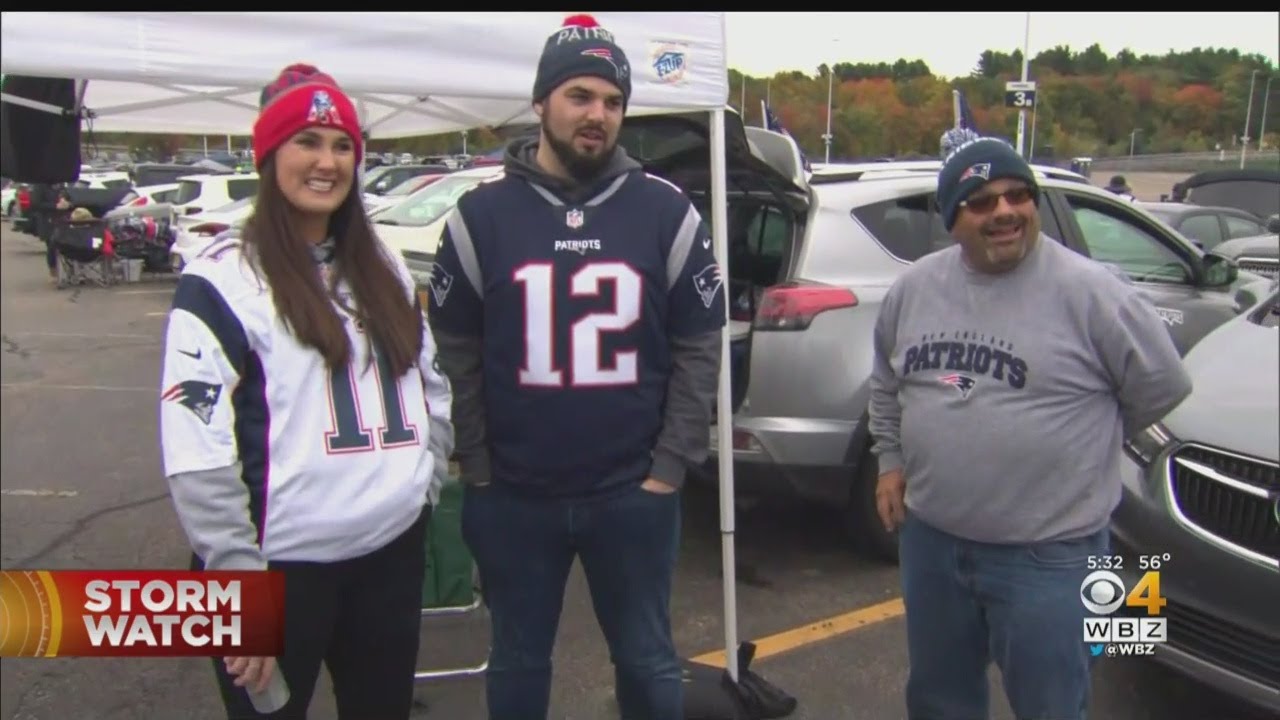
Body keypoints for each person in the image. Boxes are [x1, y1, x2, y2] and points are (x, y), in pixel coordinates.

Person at [427, 13, 725, 720]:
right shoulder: (481, 216)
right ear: (541, 103)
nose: (598, 115)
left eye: (612, 102)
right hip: (515, 495)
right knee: (519, 661)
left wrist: (669, 466)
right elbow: (455, 349)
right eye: (580, 96)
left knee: (649, 661)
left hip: (631, 493)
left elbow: (698, 344)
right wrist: (478, 461)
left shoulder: (665, 211)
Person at [158, 63, 454, 720]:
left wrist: (420, 487)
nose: (327, 162)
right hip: (275, 570)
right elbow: (195, 449)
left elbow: (431, 386)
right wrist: (236, 585)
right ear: (270, 154)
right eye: (307, 142)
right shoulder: (223, 277)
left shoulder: (382, 265)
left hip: (387, 555)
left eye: (342, 144)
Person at [868, 137, 1192, 720]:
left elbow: (1161, 388)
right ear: (951, 219)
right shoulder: (913, 291)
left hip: (1053, 556)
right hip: (933, 543)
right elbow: (887, 384)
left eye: (1018, 196)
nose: (1004, 212)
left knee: (1052, 704)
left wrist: (1077, 446)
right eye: (981, 202)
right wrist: (890, 462)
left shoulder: (1095, 293)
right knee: (939, 699)